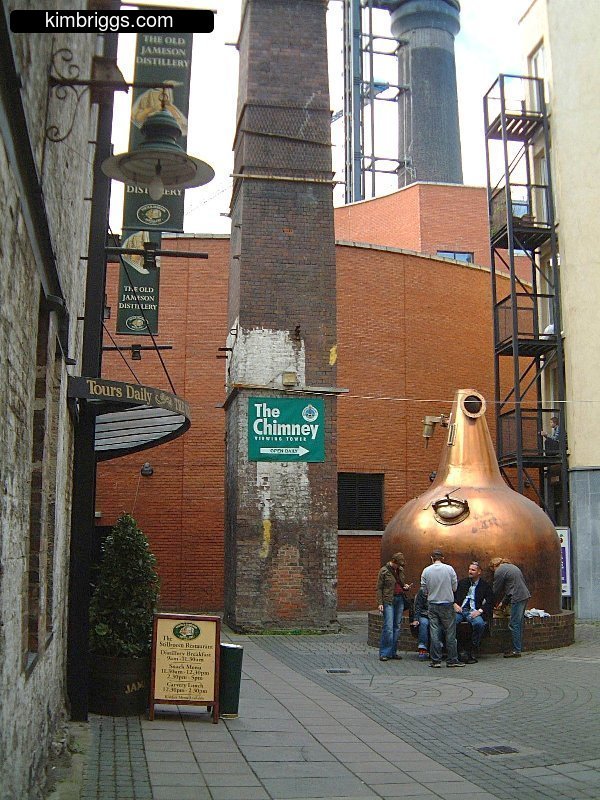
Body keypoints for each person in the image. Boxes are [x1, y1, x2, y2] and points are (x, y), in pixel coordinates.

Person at [420, 549, 465, 668]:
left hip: (433, 603)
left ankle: (436, 660)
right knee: (450, 632)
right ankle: (452, 660)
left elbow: (424, 590)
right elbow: (455, 587)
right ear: (443, 558)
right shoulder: (449, 569)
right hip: (447, 604)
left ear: (431, 558)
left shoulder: (426, 571)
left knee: (434, 632)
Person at [489, 557, 531, 658]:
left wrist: (488, 600)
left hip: (517, 597)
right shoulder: (512, 567)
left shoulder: (499, 570)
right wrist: (503, 603)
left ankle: (516, 650)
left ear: (494, 566)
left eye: (492, 570)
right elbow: (511, 588)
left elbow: (496, 589)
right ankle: (518, 647)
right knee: (519, 623)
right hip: (524, 595)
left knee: (514, 624)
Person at [453, 561, 494, 663]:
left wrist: (480, 611)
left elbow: (490, 600)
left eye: (473, 570)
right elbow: (452, 595)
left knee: (479, 624)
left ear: (479, 572)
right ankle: (456, 649)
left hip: (474, 611)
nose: (470, 571)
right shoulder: (462, 583)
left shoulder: (485, 586)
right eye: (469, 569)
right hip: (460, 610)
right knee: (451, 623)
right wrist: (454, 604)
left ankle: (473, 647)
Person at [376, 552, 411, 661]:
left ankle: (393, 652)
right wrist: (380, 603)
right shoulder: (384, 571)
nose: (399, 566)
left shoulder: (400, 570)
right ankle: (384, 652)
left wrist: (405, 587)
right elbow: (379, 588)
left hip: (399, 598)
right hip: (388, 600)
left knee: (397, 626)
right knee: (388, 627)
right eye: (398, 564)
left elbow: (400, 583)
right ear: (393, 561)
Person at [410, 587, 430, 660]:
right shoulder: (422, 591)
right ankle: (422, 648)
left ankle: (437, 647)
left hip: (434, 615)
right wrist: (416, 619)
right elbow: (418, 606)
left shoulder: (438, 589)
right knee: (424, 623)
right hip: (424, 614)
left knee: (437, 625)